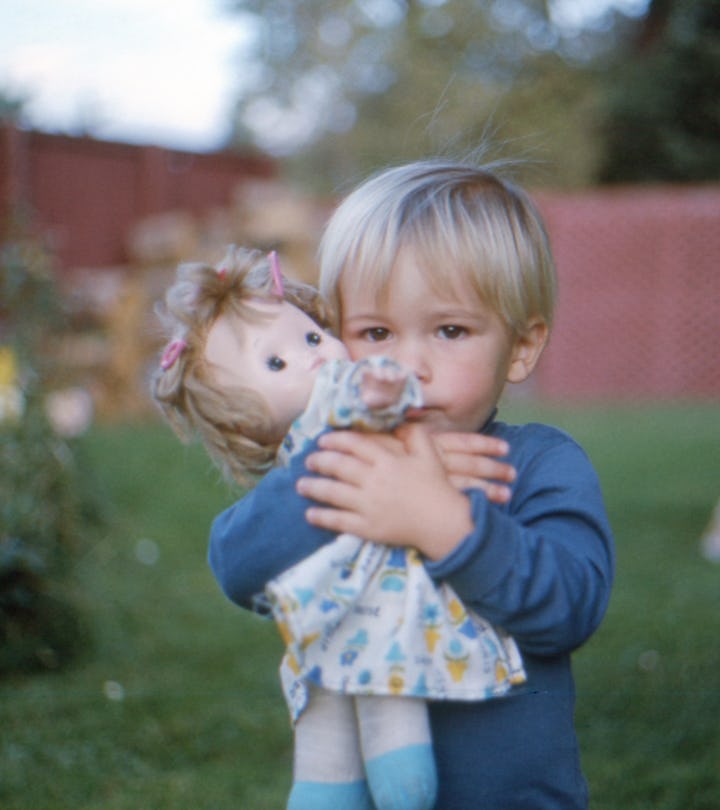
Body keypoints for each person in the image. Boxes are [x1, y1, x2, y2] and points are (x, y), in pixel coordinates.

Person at [209, 159, 615, 809]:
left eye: (450, 330)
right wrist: (349, 486)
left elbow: (571, 606)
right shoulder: (337, 456)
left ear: (521, 346)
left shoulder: (538, 464)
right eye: (375, 332)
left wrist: (439, 519)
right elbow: (237, 565)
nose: (406, 365)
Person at [151, 246, 525, 810]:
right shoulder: (290, 477)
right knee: (324, 708)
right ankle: (324, 788)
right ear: (242, 416)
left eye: (309, 337)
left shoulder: (356, 401)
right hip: (321, 628)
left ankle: (396, 769)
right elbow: (235, 559)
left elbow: (371, 396)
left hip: (384, 616)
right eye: (273, 364)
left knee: (381, 673)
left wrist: (374, 402)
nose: (311, 358)